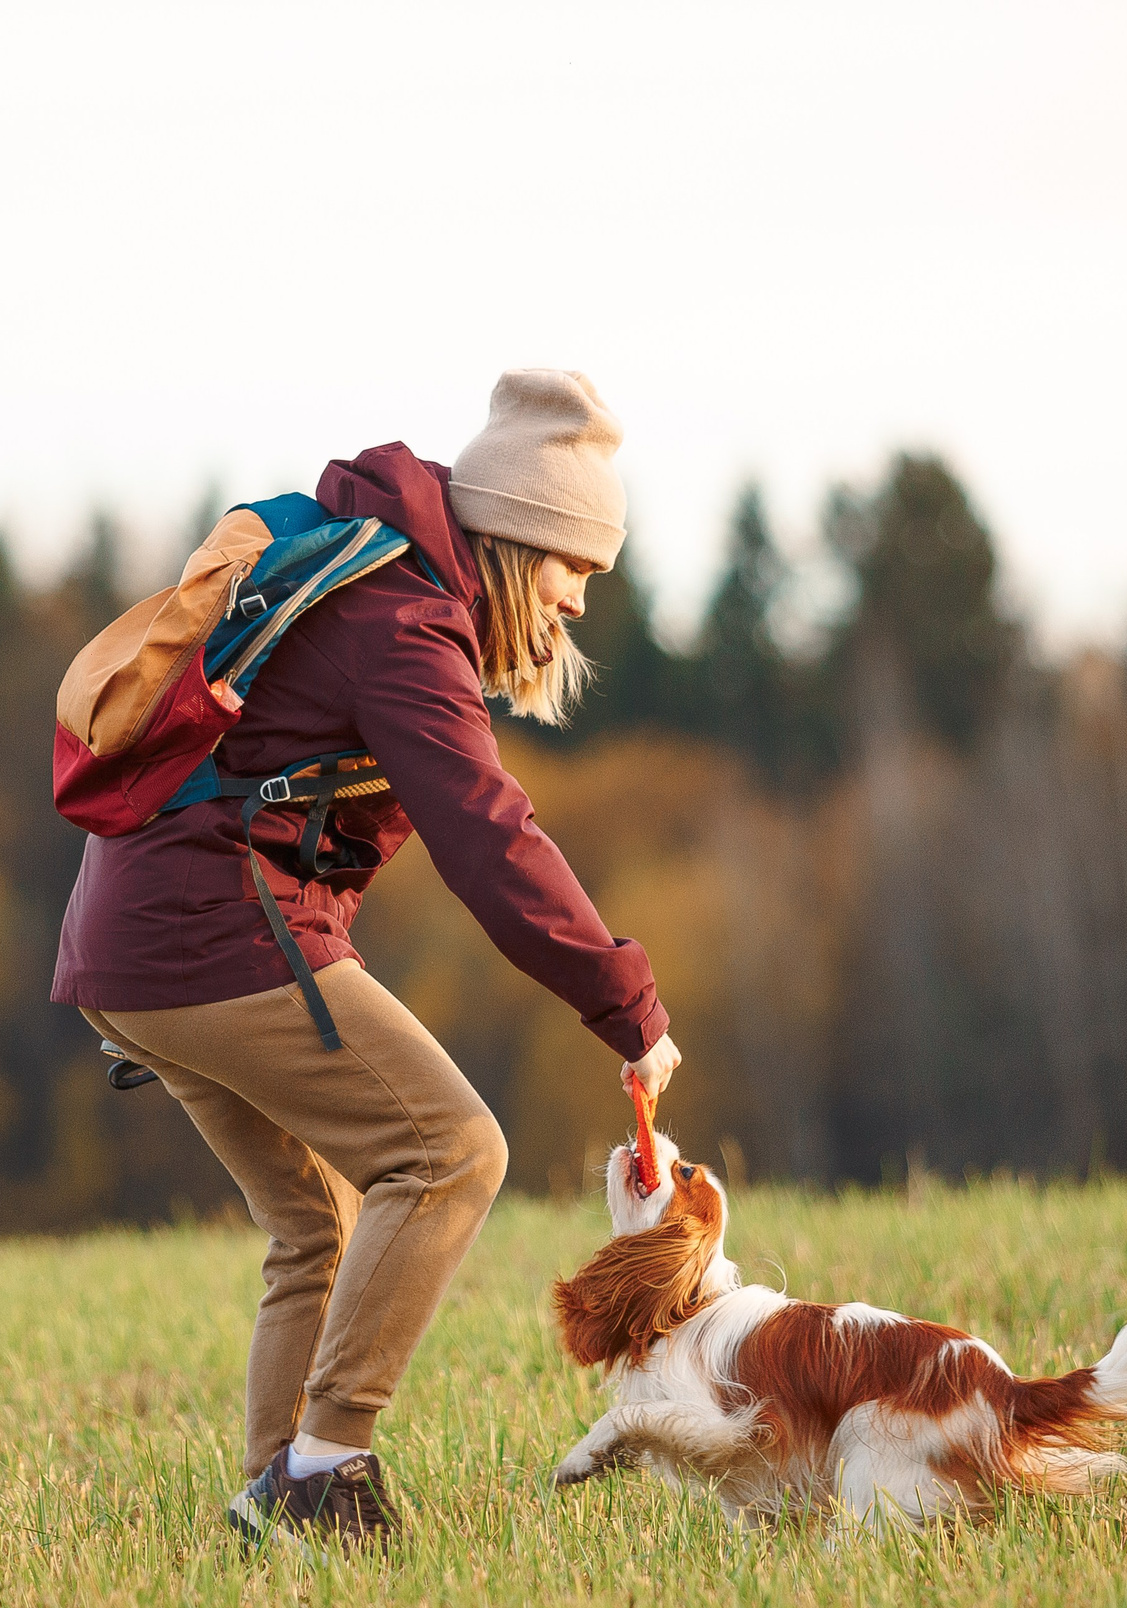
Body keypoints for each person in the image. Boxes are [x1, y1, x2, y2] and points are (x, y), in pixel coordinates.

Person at [53, 369, 681, 1548]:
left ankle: (269, 1501)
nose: (582, 601)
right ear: (513, 537)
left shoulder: (374, 576)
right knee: (448, 1153)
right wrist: (627, 1004)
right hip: (207, 935)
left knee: (317, 1225)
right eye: (572, 568)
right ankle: (329, 1465)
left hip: (136, 944)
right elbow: (488, 833)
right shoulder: (399, 617)